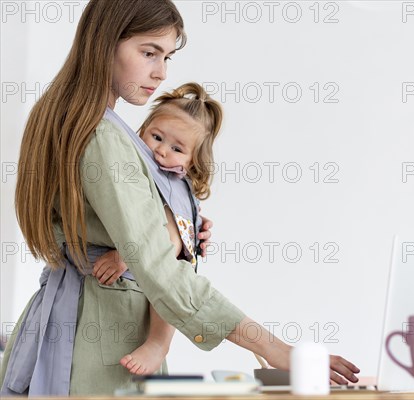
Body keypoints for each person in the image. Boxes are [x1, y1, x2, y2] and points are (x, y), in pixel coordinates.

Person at [0, 0, 359, 396]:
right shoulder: (102, 136)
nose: (161, 72)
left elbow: (125, 232)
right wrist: (276, 349)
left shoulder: (60, 115)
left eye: (167, 57)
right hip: (101, 338)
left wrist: (175, 230)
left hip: (62, 324)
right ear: (103, 42)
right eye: (149, 52)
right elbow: (159, 269)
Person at [92, 82, 225, 375]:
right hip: (148, 267)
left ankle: (158, 343)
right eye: (156, 137)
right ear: (143, 130)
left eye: (177, 148)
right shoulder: (140, 166)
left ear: (192, 162)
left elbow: (170, 240)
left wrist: (123, 257)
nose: (162, 151)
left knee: (166, 295)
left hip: (168, 265)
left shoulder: (174, 184)